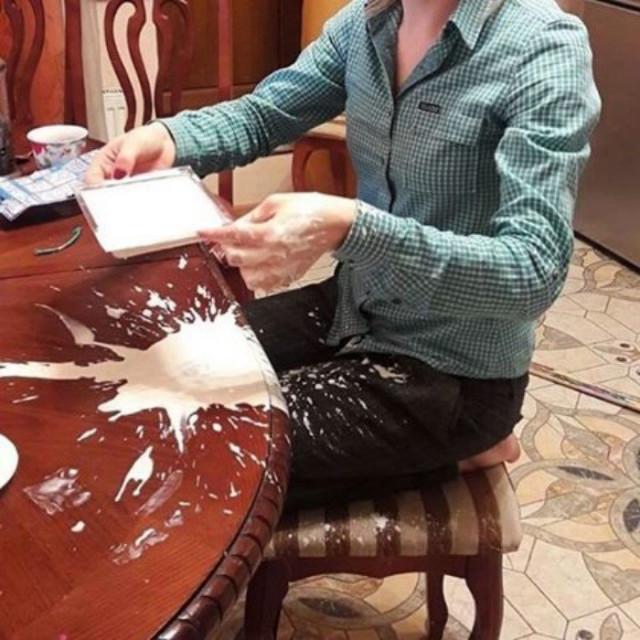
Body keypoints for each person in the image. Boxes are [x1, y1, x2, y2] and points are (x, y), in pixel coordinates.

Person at [87, 0, 601, 508]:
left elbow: (534, 270)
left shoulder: (541, 46)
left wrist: (353, 228)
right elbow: (265, 115)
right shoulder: (365, 23)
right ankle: (432, 455)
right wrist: (168, 138)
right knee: (158, 372)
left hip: (453, 369)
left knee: (194, 449)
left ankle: (463, 449)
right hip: (351, 307)